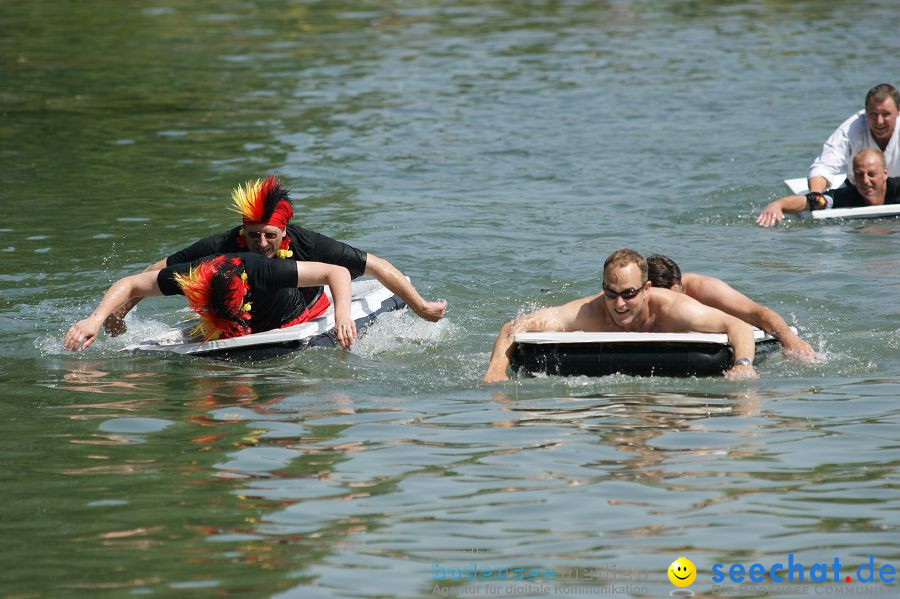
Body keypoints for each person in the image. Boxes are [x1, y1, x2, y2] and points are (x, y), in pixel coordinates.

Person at [102, 175, 447, 335]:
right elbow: (158, 270)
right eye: (253, 236)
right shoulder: (223, 245)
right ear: (243, 232)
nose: (262, 244)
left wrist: (420, 306)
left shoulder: (308, 243)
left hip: (302, 307)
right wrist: (119, 314)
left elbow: (376, 266)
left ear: (283, 233)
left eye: (270, 236)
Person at [483, 248, 758, 383]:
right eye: (611, 293)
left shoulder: (674, 309)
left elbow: (738, 325)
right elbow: (515, 326)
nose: (619, 303)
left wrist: (743, 364)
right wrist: (496, 370)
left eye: (629, 293)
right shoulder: (589, 312)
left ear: (647, 289)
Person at [65, 253, 356, 352]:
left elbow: (337, 272)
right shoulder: (189, 276)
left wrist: (342, 314)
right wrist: (97, 318)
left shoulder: (262, 271)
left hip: (294, 310)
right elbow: (129, 284)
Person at [646, 254, 815, 360]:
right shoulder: (632, 301)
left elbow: (755, 312)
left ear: (681, 286)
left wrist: (789, 338)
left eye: (676, 296)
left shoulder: (704, 288)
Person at [758, 148, 900, 226]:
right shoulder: (846, 196)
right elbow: (812, 201)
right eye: (859, 175)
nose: (865, 181)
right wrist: (778, 204)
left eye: (871, 174)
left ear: (885, 173)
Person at [807, 83, 899, 192]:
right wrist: (816, 194)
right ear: (865, 111)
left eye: (886, 114)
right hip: (858, 192)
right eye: (873, 114)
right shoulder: (850, 130)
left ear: (898, 111)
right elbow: (823, 167)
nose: (879, 121)